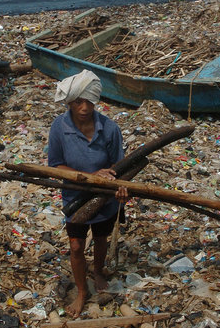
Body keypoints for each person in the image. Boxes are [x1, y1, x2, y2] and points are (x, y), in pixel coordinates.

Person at [47, 69, 129, 318]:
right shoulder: (60, 128)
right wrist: (92, 177)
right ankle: (82, 291)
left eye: (89, 101)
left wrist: (121, 187)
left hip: (104, 198)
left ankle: (99, 271)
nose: (84, 107)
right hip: (76, 198)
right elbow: (56, 166)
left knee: (101, 239)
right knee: (75, 246)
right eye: (78, 101)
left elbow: (119, 166)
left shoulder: (109, 128)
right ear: (70, 102)